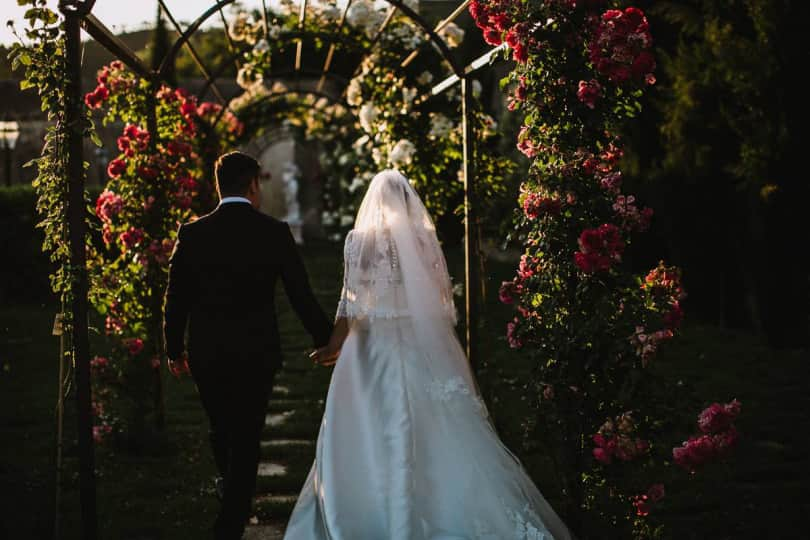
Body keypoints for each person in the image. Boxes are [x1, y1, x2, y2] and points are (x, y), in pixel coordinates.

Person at [284, 170, 571, 539]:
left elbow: (349, 304)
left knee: (372, 426)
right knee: (433, 425)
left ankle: (367, 508)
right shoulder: (423, 241)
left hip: (371, 349)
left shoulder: (359, 241)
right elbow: (440, 303)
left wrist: (334, 345)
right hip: (417, 343)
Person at [163, 151, 333, 540]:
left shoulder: (192, 234)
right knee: (246, 432)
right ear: (253, 185)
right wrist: (324, 338)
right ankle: (235, 502)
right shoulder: (273, 232)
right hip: (258, 352)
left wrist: (174, 349)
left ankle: (231, 518)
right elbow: (300, 294)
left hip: (208, 352)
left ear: (217, 184)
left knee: (222, 428)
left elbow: (176, 299)